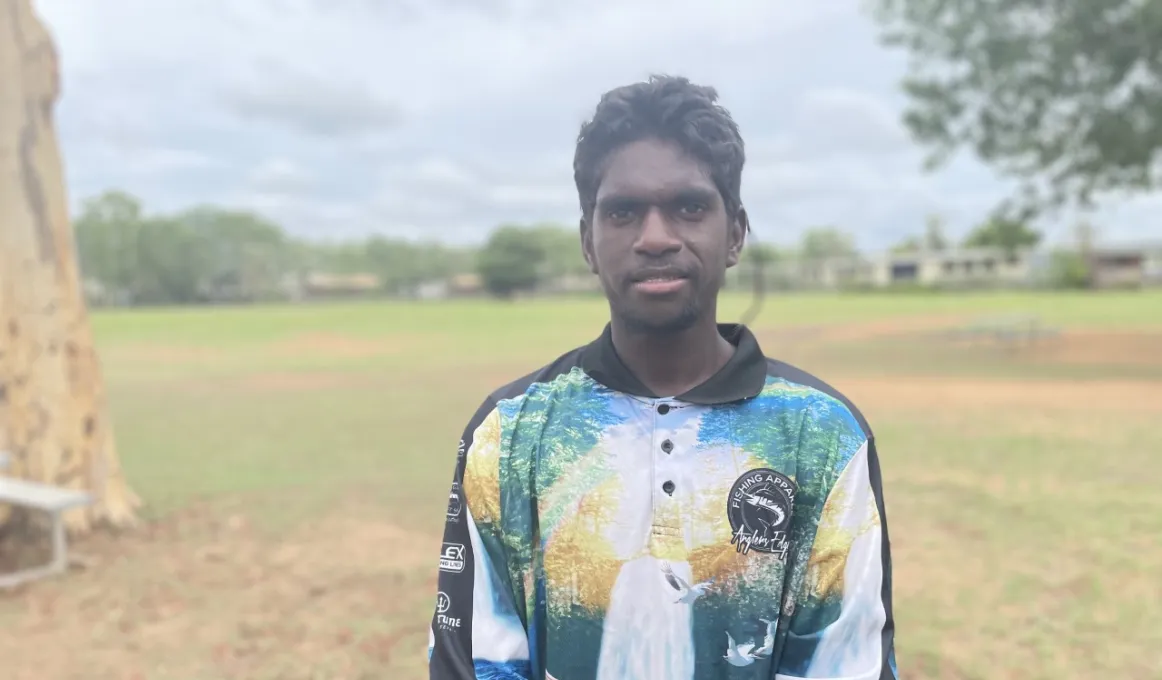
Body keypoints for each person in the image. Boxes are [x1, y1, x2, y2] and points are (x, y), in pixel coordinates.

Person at [428, 74, 897, 680]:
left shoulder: (822, 435)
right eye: (623, 212)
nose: (655, 238)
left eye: (689, 207)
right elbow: (476, 662)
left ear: (734, 233)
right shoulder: (510, 432)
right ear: (589, 241)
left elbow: (846, 662)